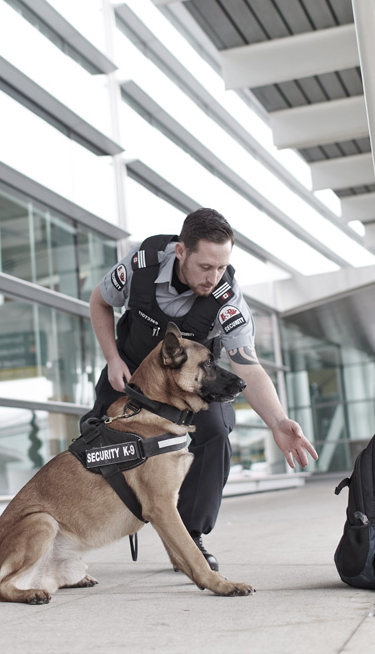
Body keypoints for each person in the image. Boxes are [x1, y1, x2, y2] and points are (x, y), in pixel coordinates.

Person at [84, 208, 318, 570]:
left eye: (222, 267)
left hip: (192, 385)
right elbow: (99, 302)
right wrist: (112, 358)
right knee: (92, 442)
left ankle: (189, 538)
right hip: (130, 373)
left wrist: (278, 421)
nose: (214, 277)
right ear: (181, 252)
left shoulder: (228, 297)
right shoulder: (141, 264)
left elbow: (247, 365)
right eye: (206, 267)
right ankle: (78, 531)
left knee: (215, 433)